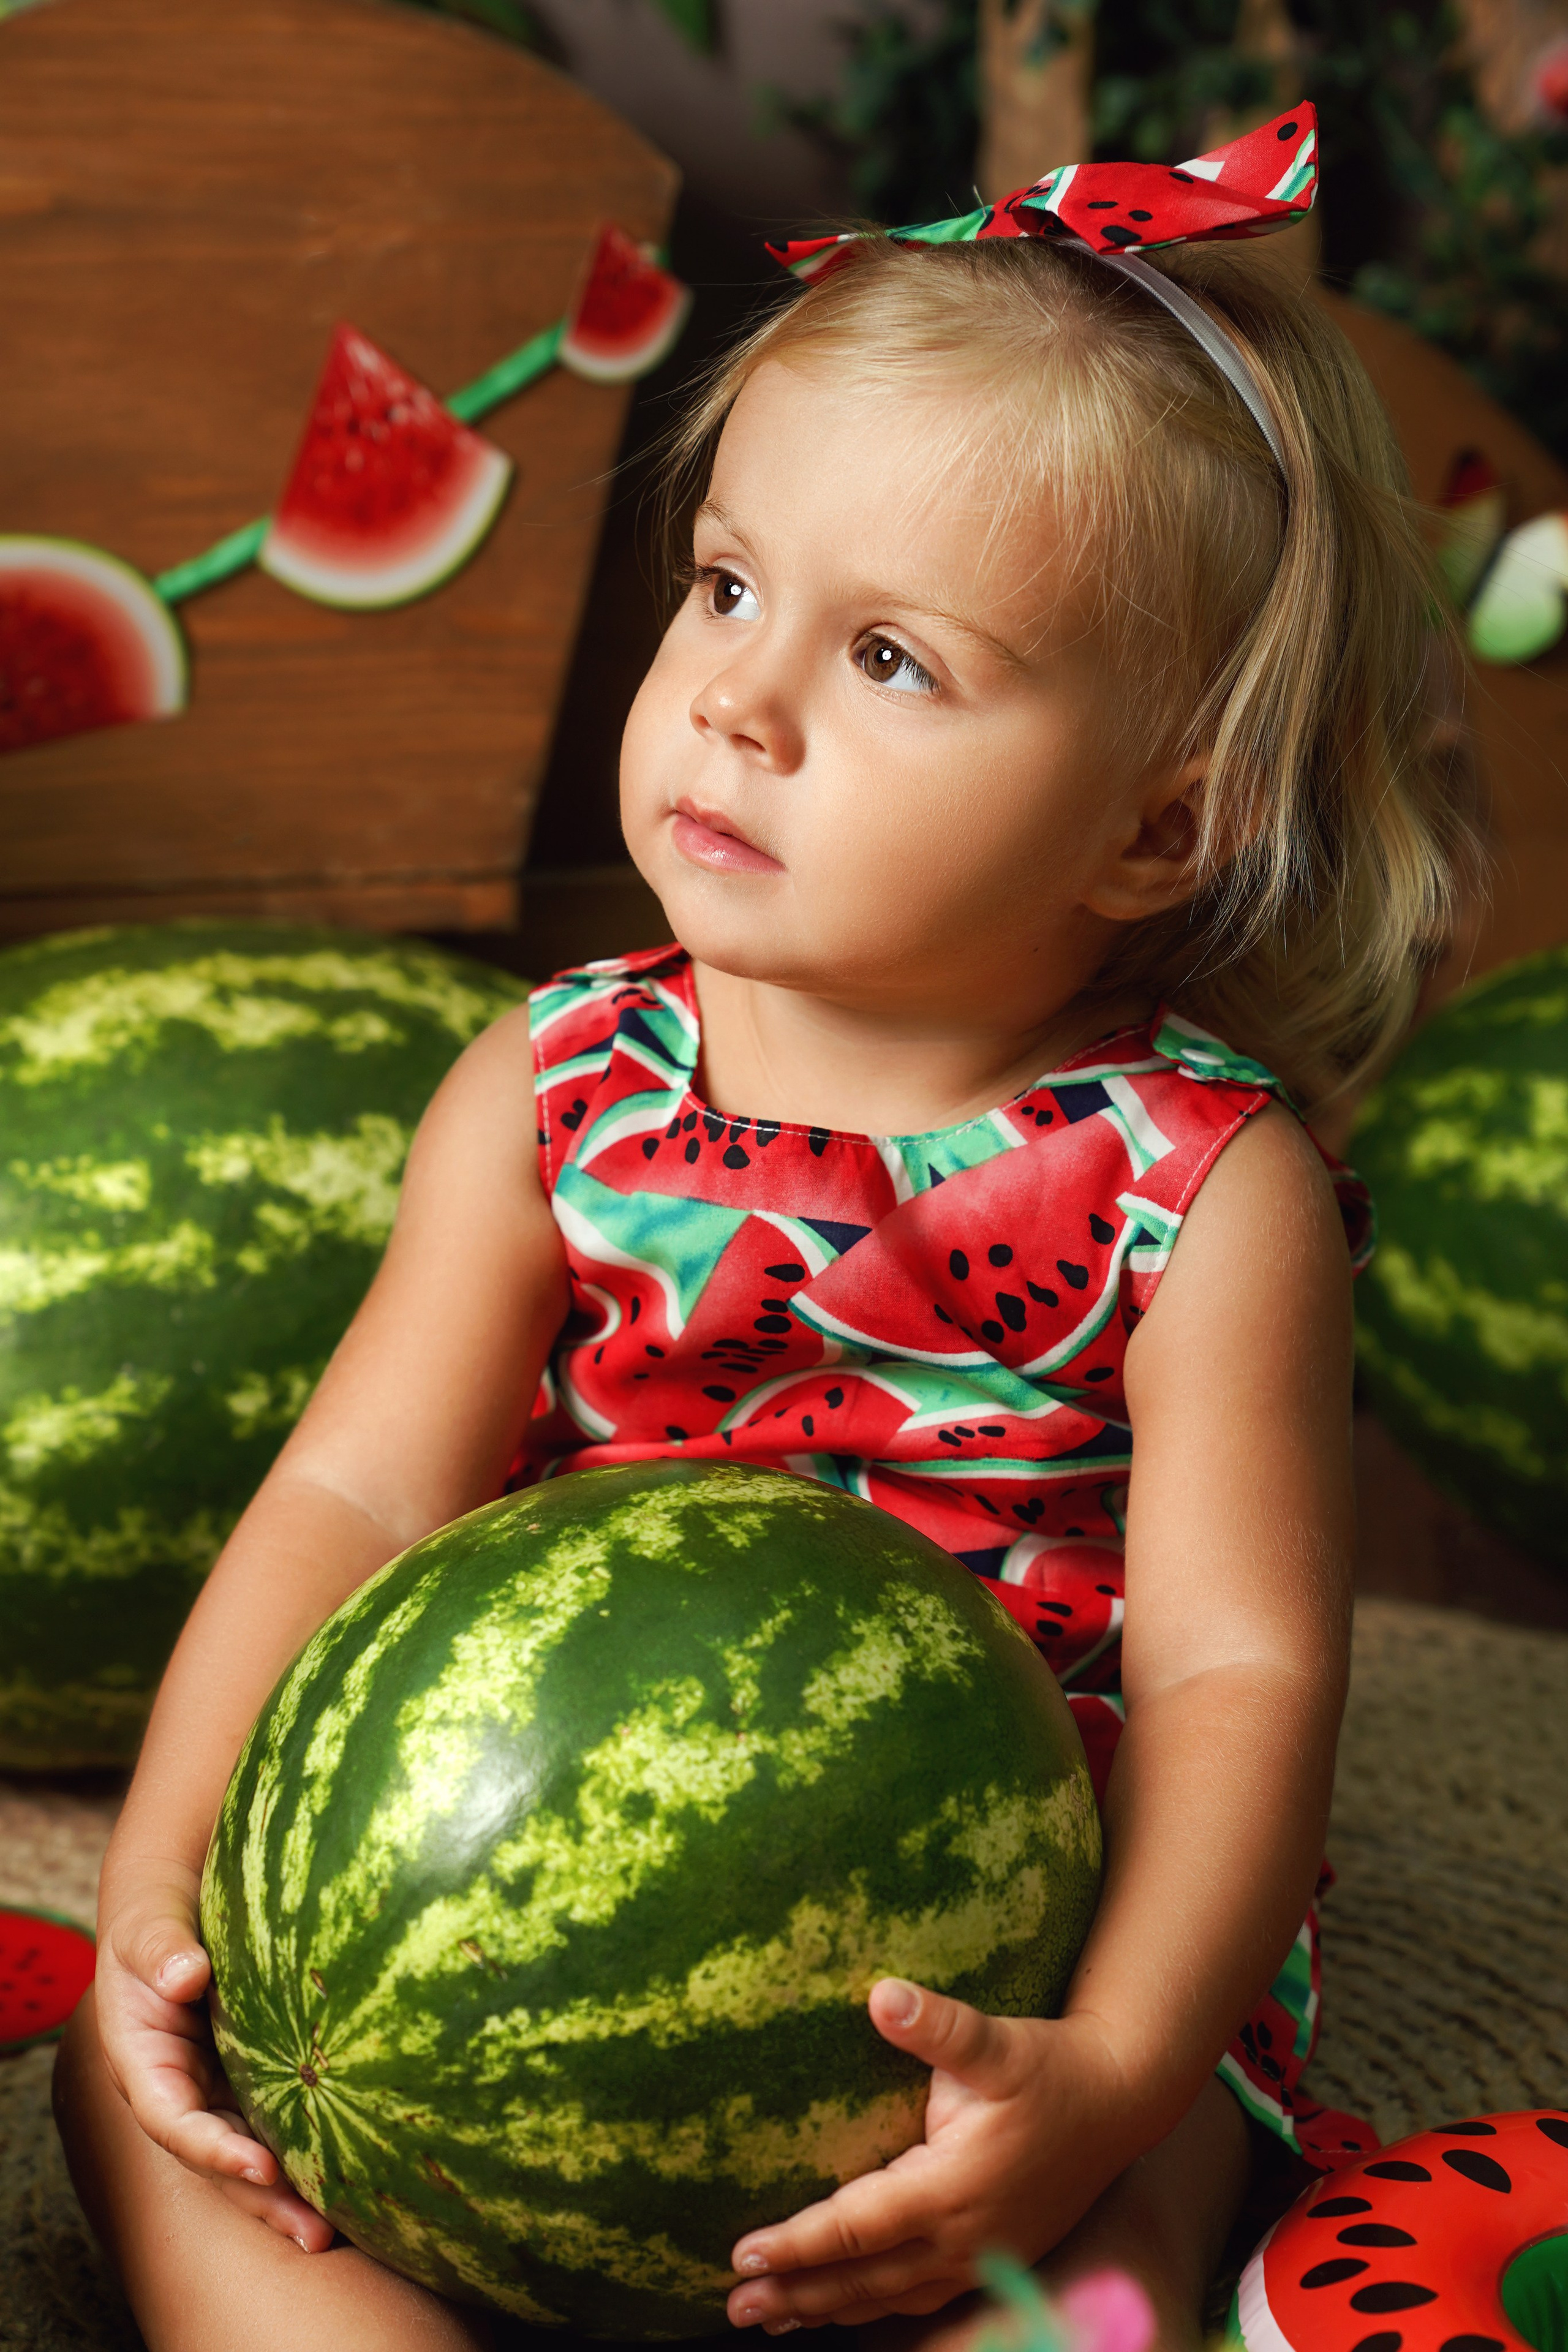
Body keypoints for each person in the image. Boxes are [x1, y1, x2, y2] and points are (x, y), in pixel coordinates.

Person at [55, 107, 1477, 2352]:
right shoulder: (551, 1084)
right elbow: (346, 1493)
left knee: (1119, 2230)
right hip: (485, 1881)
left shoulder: (1212, 1194)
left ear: (1156, 823)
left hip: (995, 1960)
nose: (734, 694)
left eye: (892, 661)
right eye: (726, 585)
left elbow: (1237, 1676)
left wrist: (1102, 2073)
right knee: (142, 2098)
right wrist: (161, 1887)